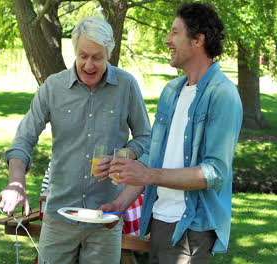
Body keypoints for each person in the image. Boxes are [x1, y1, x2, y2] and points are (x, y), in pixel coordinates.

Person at [0, 16, 151, 263]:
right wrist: (16, 183)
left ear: (109, 53)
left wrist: (125, 156)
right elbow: (23, 139)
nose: (88, 64)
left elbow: (145, 138)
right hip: (59, 216)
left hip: (105, 216)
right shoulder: (53, 87)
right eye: (82, 55)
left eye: (97, 57)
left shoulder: (126, 85)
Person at [104, 3, 243, 263]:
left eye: (174, 32)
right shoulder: (171, 92)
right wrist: (120, 205)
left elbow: (214, 172)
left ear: (197, 40)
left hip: (193, 229)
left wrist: (148, 174)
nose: (167, 40)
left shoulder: (222, 94)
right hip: (159, 220)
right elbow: (153, 157)